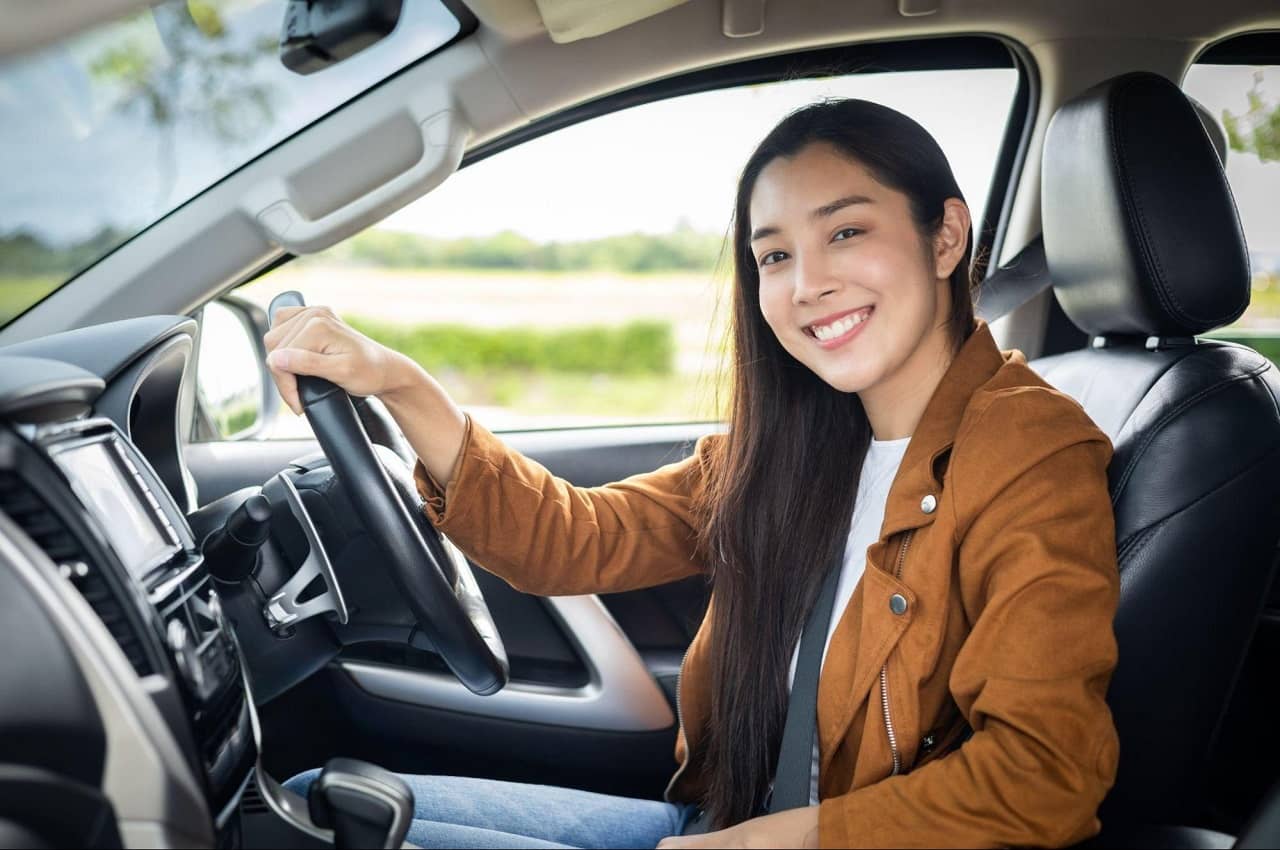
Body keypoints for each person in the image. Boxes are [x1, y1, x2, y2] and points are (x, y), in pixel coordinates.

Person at [265, 99, 1120, 849]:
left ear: (945, 237)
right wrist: (400, 383)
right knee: (313, 808)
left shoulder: (1030, 455)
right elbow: (573, 540)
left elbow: (1044, 773)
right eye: (774, 256)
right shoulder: (801, 439)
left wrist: (774, 845)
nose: (808, 284)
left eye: (846, 232)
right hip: (721, 823)